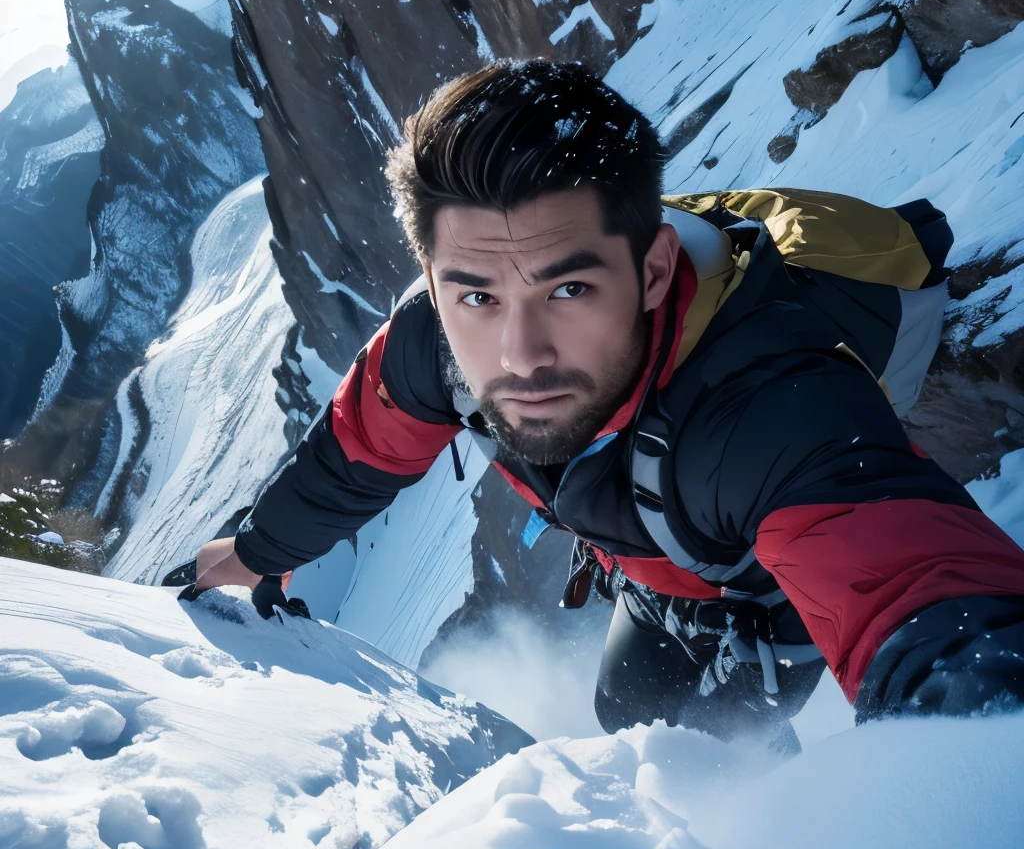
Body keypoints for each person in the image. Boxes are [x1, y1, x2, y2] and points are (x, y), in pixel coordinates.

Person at [191, 60, 1024, 751]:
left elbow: (918, 586)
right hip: (653, 564)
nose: (521, 355)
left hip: (759, 594)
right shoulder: (434, 340)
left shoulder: (764, 406)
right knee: (628, 717)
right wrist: (263, 547)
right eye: (474, 295)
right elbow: (359, 448)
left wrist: (978, 743)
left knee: (713, 747)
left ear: (656, 272)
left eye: (570, 288)